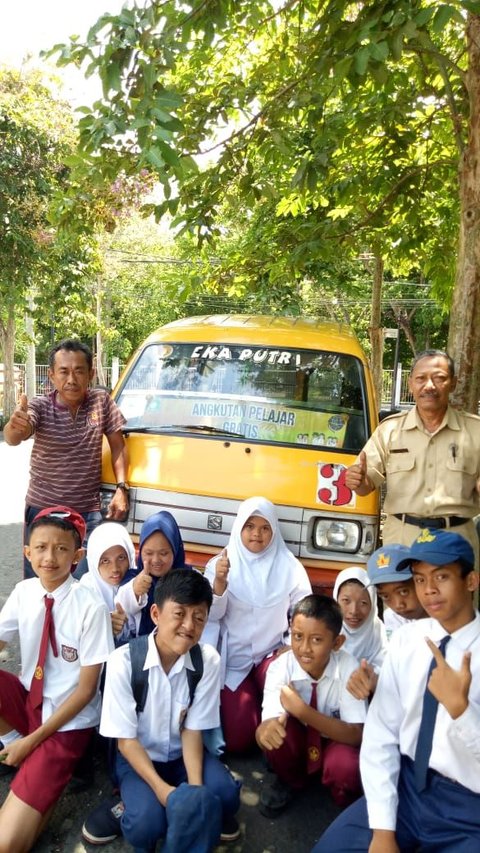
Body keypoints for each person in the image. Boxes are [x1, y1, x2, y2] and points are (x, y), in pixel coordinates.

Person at [312, 529, 480, 853]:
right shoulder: (406, 641)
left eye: (441, 576)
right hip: (406, 788)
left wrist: (462, 711)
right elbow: (381, 734)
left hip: (468, 807)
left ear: (471, 581)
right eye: (419, 579)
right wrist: (384, 831)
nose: (428, 590)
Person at [83, 569, 241, 852]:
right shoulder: (123, 662)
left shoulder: (207, 661)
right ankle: (124, 806)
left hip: (182, 757)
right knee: (146, 826)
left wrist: (193, 795)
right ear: (155, 614)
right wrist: (162, 791)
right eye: (179, 614)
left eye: (199, 617)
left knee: (226, 797)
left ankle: (184, 806)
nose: (189, 626)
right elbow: (126, 742)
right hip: (137, 759)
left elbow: (192, 729)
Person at [0, 506, 113, 852]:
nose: (50, 557)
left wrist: (32, 741)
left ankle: (31, 754)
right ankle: (18, 746)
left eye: (62, 549)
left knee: (6, 844)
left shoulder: (90, 607)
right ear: (27, 551)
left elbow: (85, 692)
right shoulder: (24, 591)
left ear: (77, 556)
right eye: (41, 547)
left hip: (67, 722)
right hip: (28, 700)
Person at [3, 339, 129, 578]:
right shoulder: (40, 407)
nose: (71, 379)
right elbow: (15, 436)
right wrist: (14, 427)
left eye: (79, 371)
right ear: (51, 375)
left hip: (87, 512)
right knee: (40, 584)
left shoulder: (101, 403)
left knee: (83, 583)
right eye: (63, 371)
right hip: (43, 510)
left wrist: (122, 488)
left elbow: (118, 447)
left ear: (91, 374)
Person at [345, 349, 480, 564]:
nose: (429, 386)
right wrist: (358, 481)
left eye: (439, 378)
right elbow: (365, 485)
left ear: (453, 383)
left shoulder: (475, 431)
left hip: (457, 543)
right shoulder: (390, 430)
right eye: (421, 378)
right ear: (410, 384)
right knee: (399, 599)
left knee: (453, 599)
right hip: (401, 543)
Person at [203, 496, 312, 753]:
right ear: (239, 527)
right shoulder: (220, 565)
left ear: (274, 531)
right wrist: (219, 583)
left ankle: (291, 747)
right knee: (239, 739)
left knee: (290, 692)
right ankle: (256, 709)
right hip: (233, 659)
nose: (257, 534)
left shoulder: (290, 567)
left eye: (265, 528)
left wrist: (290, 645)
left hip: (272, 655)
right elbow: (211, 616)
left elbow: (304, 612)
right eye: (250, 526)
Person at [256, 594, 367, 818]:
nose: (304, 648)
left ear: (337, 643)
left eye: (316, 640)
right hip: (300, 736)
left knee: (345, 766)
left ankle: (343, 796)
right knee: (279, 738)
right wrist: (263, 733)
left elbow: (356, 734)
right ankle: (291, 781)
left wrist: (302, 710)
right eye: (297, 636)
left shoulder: (349, 667)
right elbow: (268, 723)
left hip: (336, 741)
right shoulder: (281, 668)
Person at [346, 545, 426, 701]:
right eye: (385, 596)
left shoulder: (444, 621)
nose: (398, 604)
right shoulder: (392, 618)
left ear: (419, 580)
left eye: (403, 591)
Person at [116, 510, 189, 637]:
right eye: (149, 553)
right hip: (142, 650)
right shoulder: (132, 577)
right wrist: (135, 590)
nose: (156, 560)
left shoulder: (189, 578)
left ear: (175, 550)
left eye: (163, 553)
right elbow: (121, 605)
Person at [81, 522, 136, 645]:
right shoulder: (86, 589)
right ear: (94, 562)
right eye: (105, 561)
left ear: (130, 556)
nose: (115, 568)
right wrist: (103, 626)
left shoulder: (139, 582)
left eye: (121, 558)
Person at [332, 567, 387, 674]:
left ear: (373, 604)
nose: (354, 611)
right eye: (346, 601)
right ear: (336, 600)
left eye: (363, 603)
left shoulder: (379, 633)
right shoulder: (327, 629)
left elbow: (386, 671)